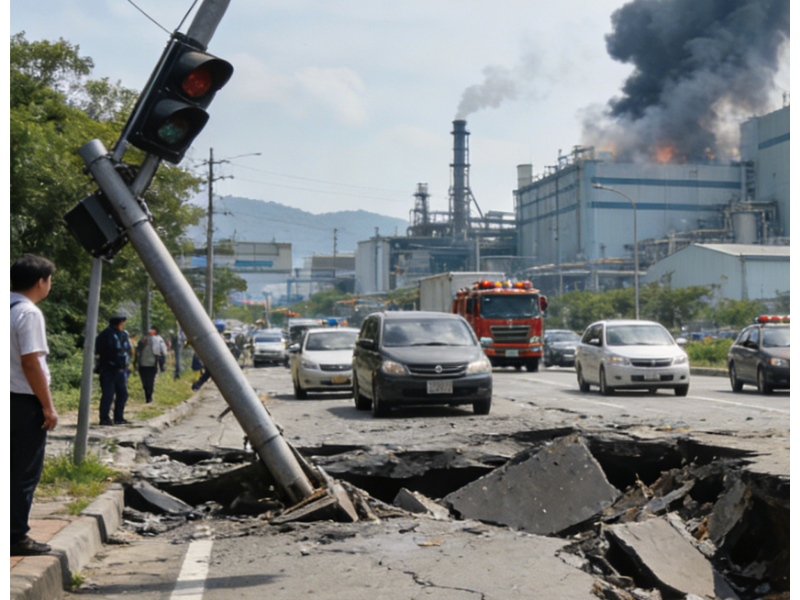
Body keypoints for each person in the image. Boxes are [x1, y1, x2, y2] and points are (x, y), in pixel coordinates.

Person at [10, 254, 59, 556]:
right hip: (23, 403)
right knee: (23, 472)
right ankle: (16, 536)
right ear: (41, 281)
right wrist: (48, 407)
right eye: (49, 280)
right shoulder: (28, 313)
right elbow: (31, 362)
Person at [95, 315, 132, 425]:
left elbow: (127, 349)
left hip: (120, 369)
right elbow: (101, 350)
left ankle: (119, 417)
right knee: (108, 394)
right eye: (122, 323)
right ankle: (104, 418)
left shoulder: (123, 334)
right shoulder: (105, 334)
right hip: (108, 368)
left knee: (123, 394)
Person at [134, 330, 160, 404]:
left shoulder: (144, 341)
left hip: (144, 364)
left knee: (145, 381)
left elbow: (137, 350)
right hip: (150, 364)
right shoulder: (156, 341)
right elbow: (160, 353)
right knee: (150, 381)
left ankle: (148, 396)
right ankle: (149, 396)